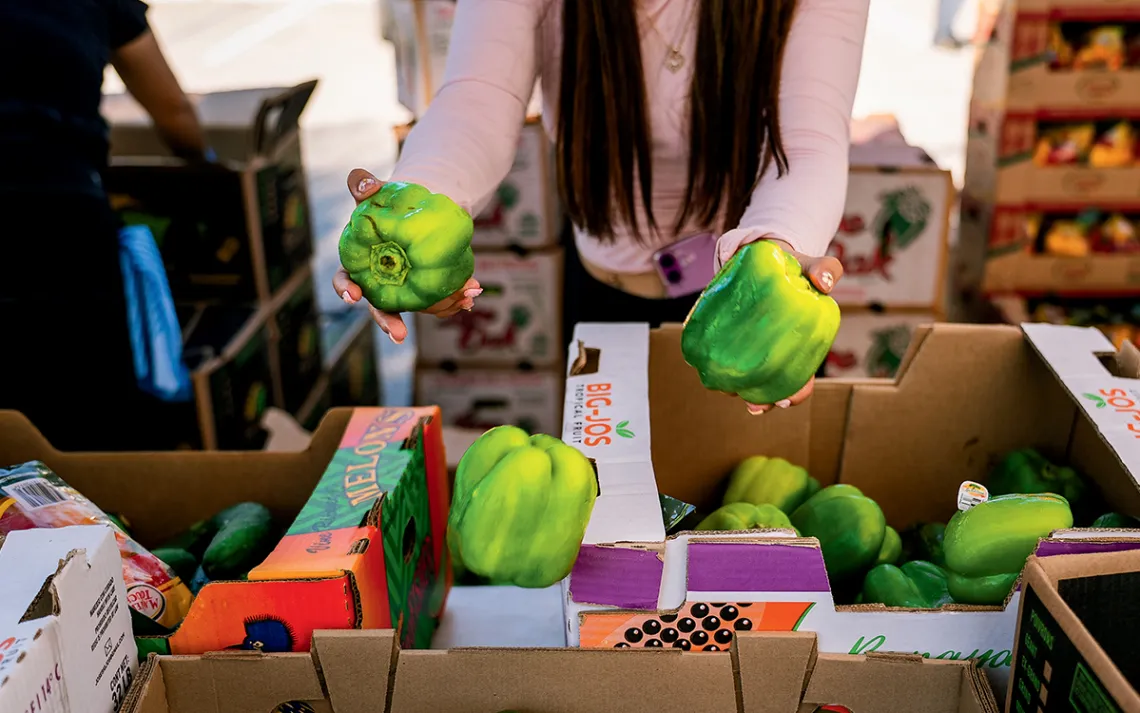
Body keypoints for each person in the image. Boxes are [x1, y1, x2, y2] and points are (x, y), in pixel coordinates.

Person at [334, 0, 869, 414]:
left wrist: (781, 243)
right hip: (601, 295)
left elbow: (810, 140)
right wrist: (412, 204)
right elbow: (478, 96)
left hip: (746, 307)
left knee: (747, 519)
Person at [0, 0, 208, 450]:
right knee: (92, 418)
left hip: (56, 219)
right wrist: (205, 166)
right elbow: (175, 112)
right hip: (63, 222)